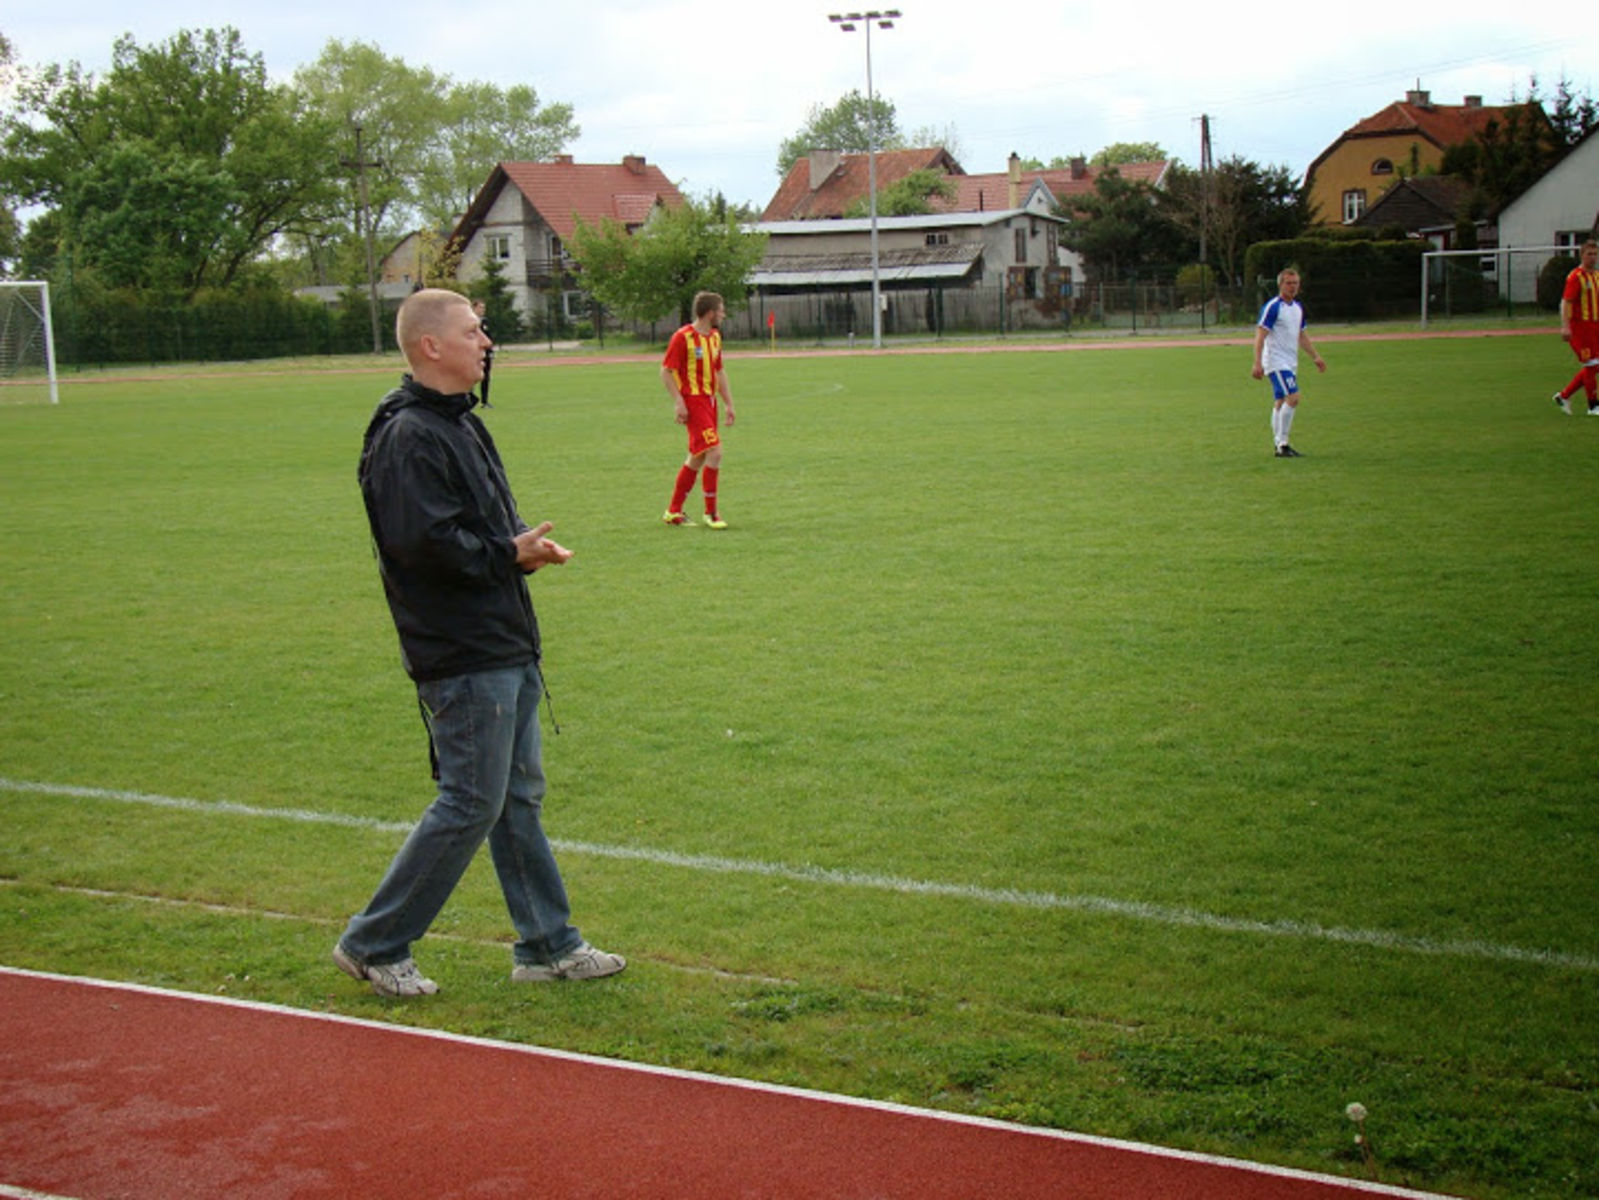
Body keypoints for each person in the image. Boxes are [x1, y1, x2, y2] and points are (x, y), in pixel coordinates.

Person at [334, 288, 624, 997]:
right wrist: (507, 555)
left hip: (502, 639)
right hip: (462, 652)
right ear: (431, 346)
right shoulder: (408, 435)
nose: (486, 341)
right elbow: (423, 546)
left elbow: (480, 528)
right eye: (473, 331)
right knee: (469, 801)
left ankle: (547, 945)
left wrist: (523, 549)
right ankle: (374, 943)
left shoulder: (459, 423)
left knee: (515, 798)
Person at [660, 291, 737, 528]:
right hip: (694, 403)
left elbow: (719, 371)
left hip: (709, 402)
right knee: (715, 452)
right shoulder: (683, 337)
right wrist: (679, 401)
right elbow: (665, 371)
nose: (724, 314)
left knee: (698, 457)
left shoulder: (714, 337)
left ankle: (673, 511)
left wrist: (728, 403)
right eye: (721, 309)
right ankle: (711, 513)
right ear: (711, 312)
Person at [1252, 267, 1326, 458]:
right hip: (1276, 361)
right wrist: (1257, 362)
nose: (1292, 287)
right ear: (1280, 285)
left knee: (1280, 401)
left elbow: (1301, 335)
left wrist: (1315, 356)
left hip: (1290, 361)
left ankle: (1279, 444)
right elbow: (1260, 336)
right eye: (1288, 283)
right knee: (1293, 398)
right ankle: (1282, 444)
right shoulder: (1273, 307)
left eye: (1295, 283)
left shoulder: (1297, 308)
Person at [1552, 239, 1599, 416]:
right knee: (1591, 365)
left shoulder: (1596, 276)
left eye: (1595, 254)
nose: (1593, 258)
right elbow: (1566, 302)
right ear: (1582, 255)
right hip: (1581, 329)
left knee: (1594, 367)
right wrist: (1565, 326)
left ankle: (1564, 396)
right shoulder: (1576, 276)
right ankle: (1593, 406)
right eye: (1589, 254)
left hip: (1596, 327)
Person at [470, 298, 494, 408]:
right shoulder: (469, 321)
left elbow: (488, 337)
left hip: (485, 353)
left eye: (484, 308)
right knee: (471, 376)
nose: (482, 310)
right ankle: (469, 400)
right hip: (473, 353)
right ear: (474, 308)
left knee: (486, 376)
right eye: (480, 307)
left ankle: (485, 401)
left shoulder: (485, 321)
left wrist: (490, 351)